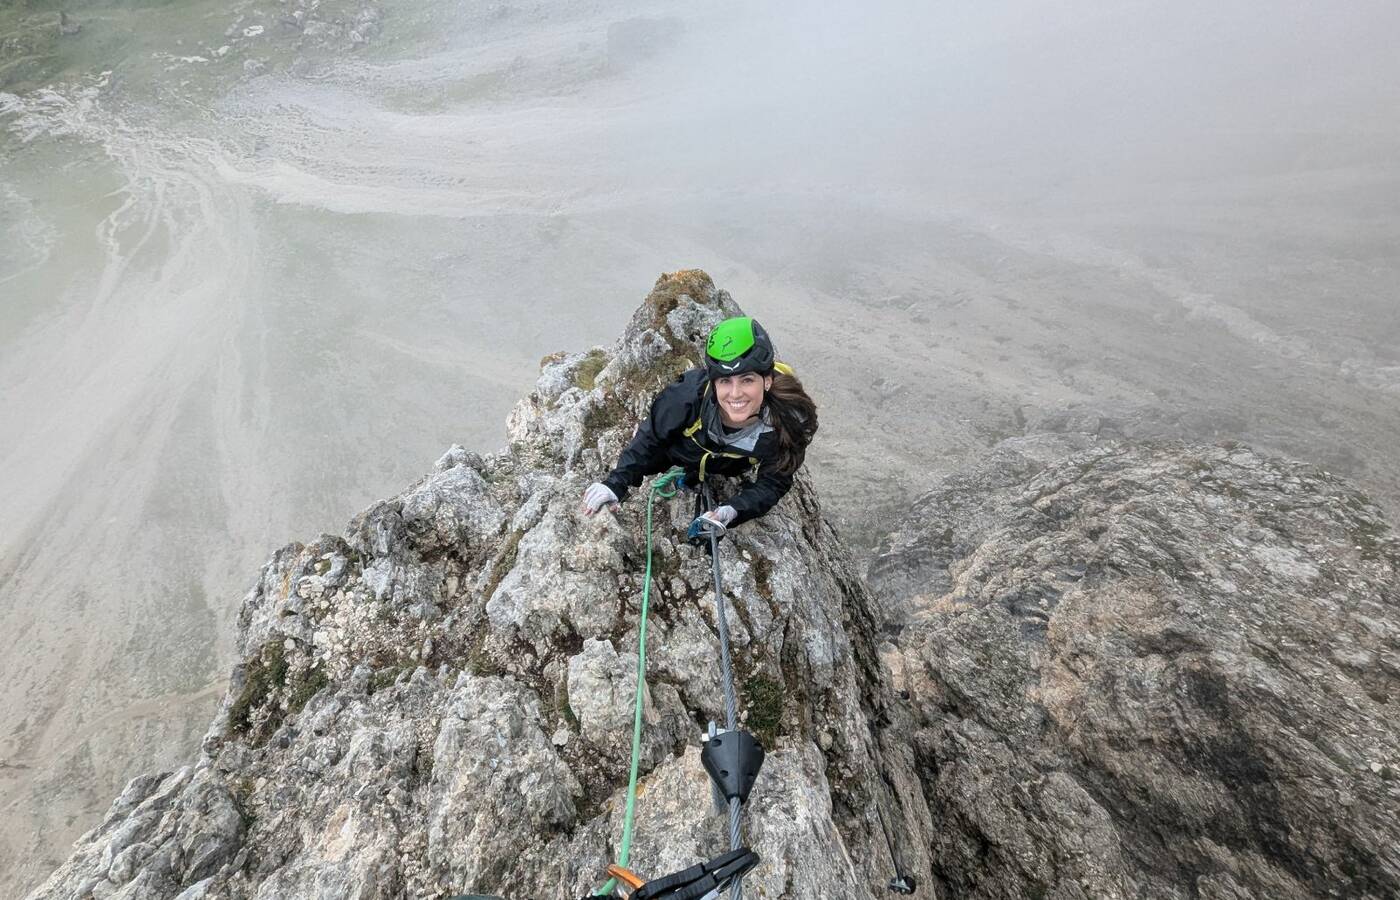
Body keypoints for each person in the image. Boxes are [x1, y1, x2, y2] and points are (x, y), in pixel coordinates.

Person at [579, 317, 818, 533]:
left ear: (767, 381)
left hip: (730, 465)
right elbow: (650, 438)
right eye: (725, 381)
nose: (735, 394)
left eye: (747, 380)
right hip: (678, 452)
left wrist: (734, 510)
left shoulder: (786, 420)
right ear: (713, 382)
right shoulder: (685, 398)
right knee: (652, 456)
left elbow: (774, 482)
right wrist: (615, 484)